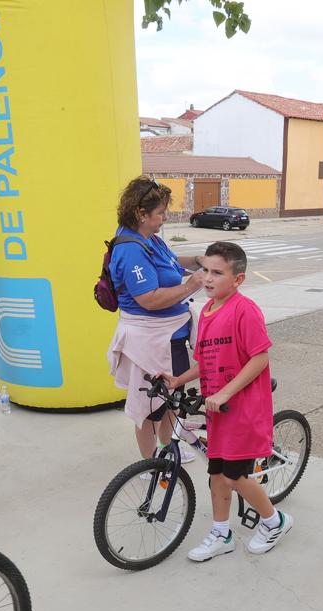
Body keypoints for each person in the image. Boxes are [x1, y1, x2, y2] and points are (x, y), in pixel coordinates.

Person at [162, 242, 293, 562]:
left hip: (243, 408)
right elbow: (206, 361)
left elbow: (259, 358)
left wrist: (225, 393)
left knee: (234, 475)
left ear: (238, 279)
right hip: (217, 408)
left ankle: (275, 521)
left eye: (217, 272)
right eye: (205, 269)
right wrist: (180, 379)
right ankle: (222, 533)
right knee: (217, 472)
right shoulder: (206, 312)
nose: (207, 278)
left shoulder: (244, 310)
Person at [107, 176, 205, 462]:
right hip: (150, 342)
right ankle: (152, 462)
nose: (165, 217)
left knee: (172, 397)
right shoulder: (131, 250)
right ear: (141, 214)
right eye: (160, 212)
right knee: (149, 407)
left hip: (171, 337)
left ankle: (168, 446)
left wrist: (200, 260)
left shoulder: (149, 239)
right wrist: (192, 285)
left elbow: (173, 263)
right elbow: (148, 299)